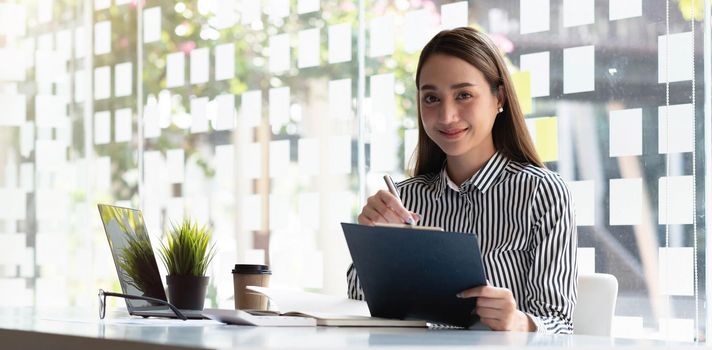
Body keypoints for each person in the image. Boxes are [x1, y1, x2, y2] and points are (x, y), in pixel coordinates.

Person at [346, 27, 577, 334]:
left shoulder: (542, 192)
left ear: (500, 98)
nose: (446, 115)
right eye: (431, 98)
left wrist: (519, 322)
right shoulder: (405, 199)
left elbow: (560, 325)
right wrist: (374, 239)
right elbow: (358, 301)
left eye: (464, 95)